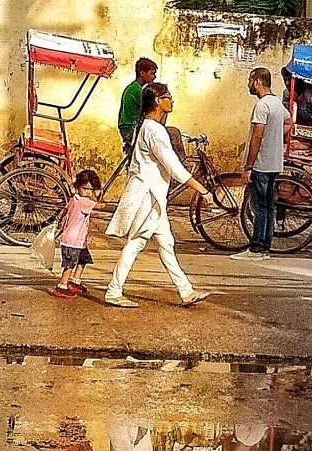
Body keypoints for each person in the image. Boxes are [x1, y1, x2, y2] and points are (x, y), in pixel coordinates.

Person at [104, 82, 214, 309]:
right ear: (157, 101)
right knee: (136, 243)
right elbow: (173, 166)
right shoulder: (154, 131)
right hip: (148, 195)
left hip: (154, 196)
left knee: (166, 244)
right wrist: (202, 189)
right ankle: (113, 291)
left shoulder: (150, 128)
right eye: (168, 97)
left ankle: (186, 291)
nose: (171, 100)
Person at [231, 68, 292, 261]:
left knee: (259, 207)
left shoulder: (262, 106)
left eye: (250, 80)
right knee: (269, 207)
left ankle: (256, 248)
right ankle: (265, 247)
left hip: (261, 164)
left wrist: (248, 166)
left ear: (257, 82)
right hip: (274, 163)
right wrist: (276, 137)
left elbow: (257, 136)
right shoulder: (277, 104)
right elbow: (290, 122)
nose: (249, 84)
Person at [51, 170, 109, 299]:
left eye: (91, 190)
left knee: (83, 259)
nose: (88, 192)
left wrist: (59, 219)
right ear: (77, 187)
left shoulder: (74, 199)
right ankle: (62, 286)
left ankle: (75, 281)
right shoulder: (84, 201)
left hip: (78, 241)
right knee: (70, 264)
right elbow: (101, 206)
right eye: (85, 188)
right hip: (73, 241)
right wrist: (120, 207)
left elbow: (66, 210)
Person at [117, 57, 158, 151]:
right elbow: (151, 111)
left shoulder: (134, 87)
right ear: (142, 73)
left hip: (128, 128)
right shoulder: (136, 90)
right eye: (152, 73)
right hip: (131, 129)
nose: (154, 77)